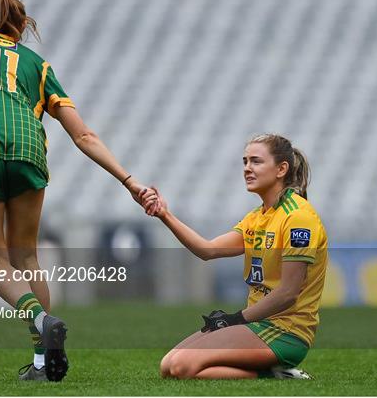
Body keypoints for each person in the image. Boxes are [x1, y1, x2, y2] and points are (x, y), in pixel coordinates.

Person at [0, 0, 154, 382]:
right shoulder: (38, 64)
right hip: (29, 146)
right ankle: (41, 361)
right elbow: (83, 135)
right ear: (20, 25)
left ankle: (40, 320)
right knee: (27, 256)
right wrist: (129, 181)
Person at [139, 134, 328, 379]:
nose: (247, 168)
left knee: (182, 367)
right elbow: (208, 250)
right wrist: (164, 214)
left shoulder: (298, 217)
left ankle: (280, 375)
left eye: (256, 161)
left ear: (282, 169)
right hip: (258, 324)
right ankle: (273, 373)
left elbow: (288, 293)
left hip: (285, 330)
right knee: (169, 366)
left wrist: (235, 319)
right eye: (245, 161)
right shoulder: (258, 216)